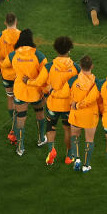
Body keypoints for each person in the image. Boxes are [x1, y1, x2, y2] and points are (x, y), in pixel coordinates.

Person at [0, 29, 49, 156]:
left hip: (20, 91)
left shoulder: (13, 55)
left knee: (21, 117)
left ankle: (20, 147)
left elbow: (4, 65)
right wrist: (45, 90)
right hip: (36, 92)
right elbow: (46, 75)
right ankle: (41, 138)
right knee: (39, 113)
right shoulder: (39, 55)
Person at [42, 36, 77, 166]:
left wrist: (47, 91)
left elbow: (42, 83)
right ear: (69, 49)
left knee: (51, 127)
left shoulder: (49, 66)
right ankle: (69, 156)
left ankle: (51, 151)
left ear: (56, 49)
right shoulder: (76, 68)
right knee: (67, 129)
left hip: (52, 104)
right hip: (68, 106)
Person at [66, 55, 99, 172]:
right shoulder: (97, 83)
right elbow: (98, 99)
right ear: (92, 66)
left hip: (77, 113)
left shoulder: (72, 80)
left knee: (75, 136)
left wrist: (73, 103)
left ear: (80, 66)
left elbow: (67, 94)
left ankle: (77, 159)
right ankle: (86, 165)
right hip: (91, 115)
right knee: (89, 139)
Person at [0, 13, 22, 143]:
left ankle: (13, 126)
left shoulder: (0, 36)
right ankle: (16, 128)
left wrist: (0, 67)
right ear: (16, 22)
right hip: (19, 74)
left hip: (6, 73)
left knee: (10, 97)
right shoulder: (21, 36)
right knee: (19, 101)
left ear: (5, 22)